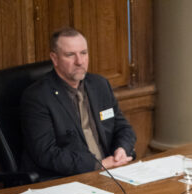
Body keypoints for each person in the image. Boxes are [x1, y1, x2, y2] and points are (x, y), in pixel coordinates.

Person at [21, 26, 136, 181]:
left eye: (83, 53)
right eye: (70, 55)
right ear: (54, 58)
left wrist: (122, 149)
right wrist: (97, 165)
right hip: (67, 179)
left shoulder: (100, 84)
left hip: (112, 171)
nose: (80, 61)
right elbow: (46, 153)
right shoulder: (37, 96)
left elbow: (123, 127)